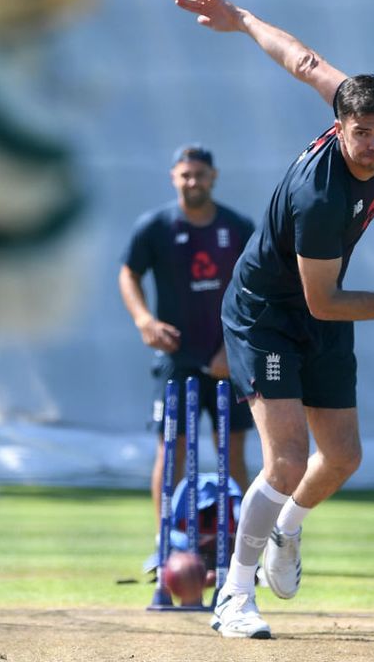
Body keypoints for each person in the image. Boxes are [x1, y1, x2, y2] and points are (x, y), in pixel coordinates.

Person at [172, 0, 374, 639]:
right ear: (340, 128)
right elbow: (323, 301)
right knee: (284, 460)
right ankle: (234, 598)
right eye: (362, 133)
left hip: (317, 307)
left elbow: (302, 60)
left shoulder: (361, 110)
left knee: (343, 458)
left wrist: (244, 20)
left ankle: (286, 530)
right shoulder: (323, 198)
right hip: (268, 313)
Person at [118, 145, 255, 573]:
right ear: (173, 177)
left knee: (232, 451)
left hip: (226, 360)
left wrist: (233, 349)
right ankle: (167, 542)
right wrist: (144, 320)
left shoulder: (237, 227)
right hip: (177, 358)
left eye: (200, 174)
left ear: (214, 176)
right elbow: (128, 273)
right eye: (185, 175)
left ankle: (237, 546)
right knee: (170, 450)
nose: (192, 182)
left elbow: (255, 288)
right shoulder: (155, 226)